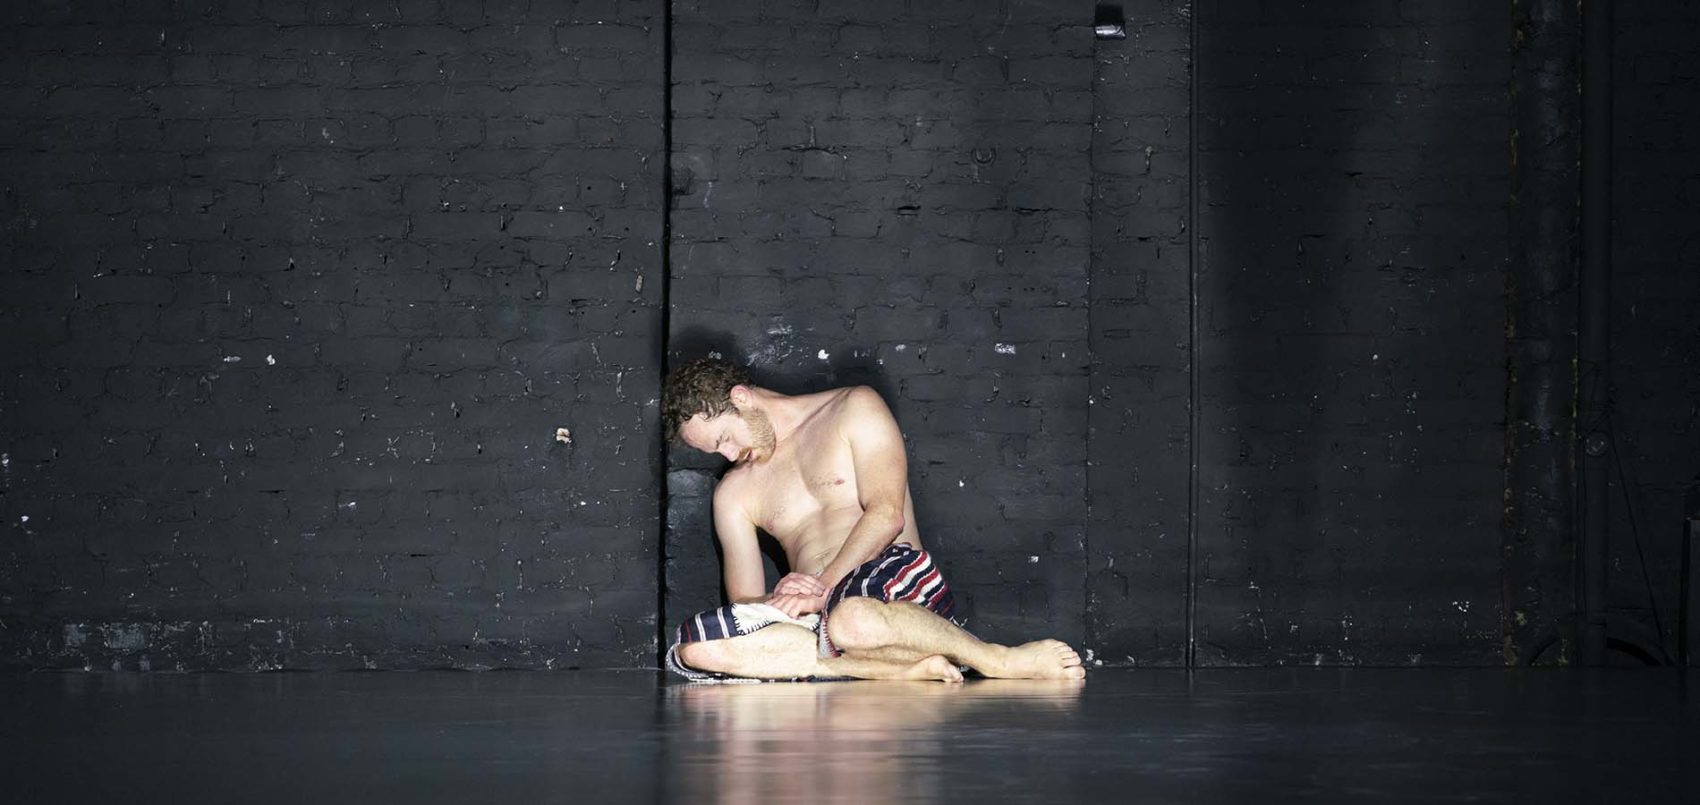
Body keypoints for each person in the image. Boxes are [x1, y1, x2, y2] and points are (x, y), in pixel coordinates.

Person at [661, 357, 1086, 683]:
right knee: (695, 648)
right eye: (715, 453)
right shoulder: (734, 491)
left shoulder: (852, 409)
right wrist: (785, 594)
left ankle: (997, 659)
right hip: (814, 609)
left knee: (851, 620)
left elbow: (887, 516)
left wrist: (823, 585)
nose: (730, 456)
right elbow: (745, 600)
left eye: (725, 440)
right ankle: (893, 669)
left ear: (741, 399)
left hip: (887, 575)